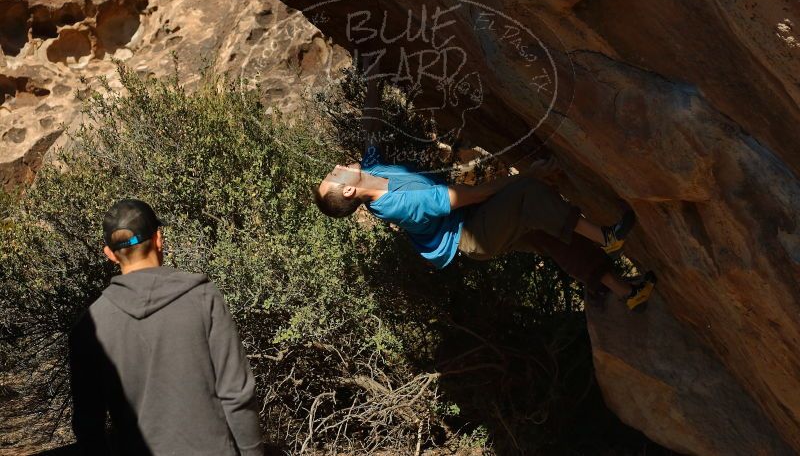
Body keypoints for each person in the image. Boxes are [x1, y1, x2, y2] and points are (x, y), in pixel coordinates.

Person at [312, 76, 656, 311]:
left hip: (472, 220)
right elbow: (469, 196)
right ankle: (607, 237)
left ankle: (627, 293)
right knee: (530, 193)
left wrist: (373, 79)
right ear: (349, 189)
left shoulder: (371, 172)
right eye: (333, 175)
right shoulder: (403, 205)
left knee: (550, 238)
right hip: (473, 235)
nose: (335, 168)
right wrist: (527, 176)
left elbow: (370, 129)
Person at [68, 199, 264, 455]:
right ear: (159, 239)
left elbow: (88, 424)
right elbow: (236, 393)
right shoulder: (203, 298)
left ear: (110, 254)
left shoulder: (89, 327)